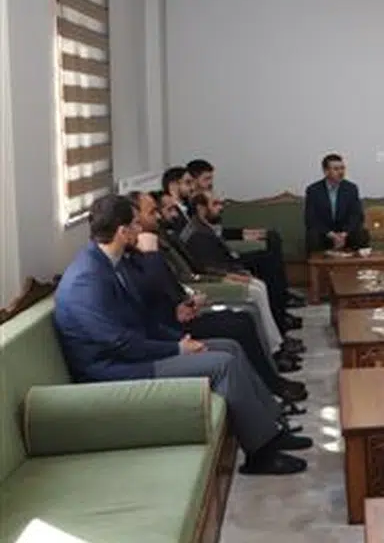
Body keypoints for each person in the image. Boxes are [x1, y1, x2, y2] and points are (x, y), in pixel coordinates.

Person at [53, 195, 309, 475]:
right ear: (122, 231)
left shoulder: (114, 264)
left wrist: (177, 341)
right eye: (136, 224)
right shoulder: (87, 278)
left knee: (230, 346)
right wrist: (176, 350)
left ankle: (272, 428)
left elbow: (143, 320)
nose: (140, 230)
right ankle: (261, 454)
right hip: (114, 368)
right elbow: (119, 342)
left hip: (134, 353)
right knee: (222, 364)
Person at [126, 192, 307, 403]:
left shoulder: (161, 238)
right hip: (171, 326)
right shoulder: (142, 251)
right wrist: (152, 256)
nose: (159, 216)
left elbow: (181, 278)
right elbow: (157, 289)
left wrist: (187, 300)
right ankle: (272, 387)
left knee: (243, 318)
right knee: (239, 324)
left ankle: (271, 379)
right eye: (152, 213)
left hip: (183, 307)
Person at [182, 193, 299, 366]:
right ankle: (274, 349)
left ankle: (279, 337)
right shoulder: (197, 234)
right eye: (215, 204)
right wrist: (232, 275)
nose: (221, 207)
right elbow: (207, 267)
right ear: (201, 208)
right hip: (219, 277)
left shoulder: (205, 226)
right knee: (257, 287)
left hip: (230, 266)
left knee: (267, 264)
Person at [304, 153, 369, 252]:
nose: (341, 172)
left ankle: (359, 261)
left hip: (346, 234)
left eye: (342, 168)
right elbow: (311, 219)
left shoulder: (351, 188)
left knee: (362, 233)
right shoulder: (313, 190)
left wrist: (344, 234)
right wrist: (332, 235)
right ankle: (317, 262)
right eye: (336, 169)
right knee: (312, 235)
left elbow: (356, 215)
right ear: (326, 171)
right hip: (325, 235)